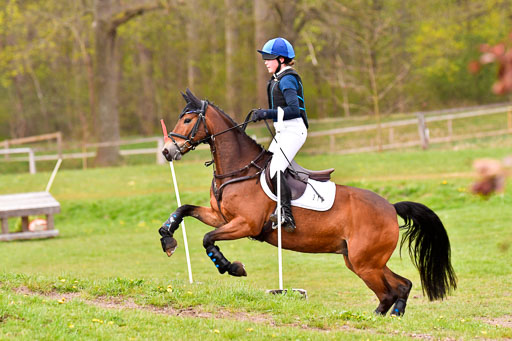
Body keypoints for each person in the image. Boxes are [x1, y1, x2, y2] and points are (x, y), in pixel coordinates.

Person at [252, 37, 309, 232]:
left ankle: (287, 215)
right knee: (265, 168)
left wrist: (266, 114)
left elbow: (294, 109)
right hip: (283, 131)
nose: (265, 62)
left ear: (281, 60)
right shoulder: (278, 79)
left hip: (294, 130)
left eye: (269, 58)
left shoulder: (288, 79)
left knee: (275, 170)